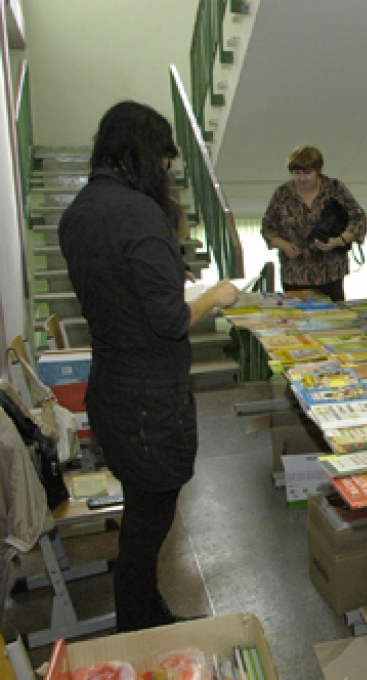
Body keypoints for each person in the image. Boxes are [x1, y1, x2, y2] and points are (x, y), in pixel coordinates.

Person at [59, 101, 240, 632]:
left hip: (112, 386)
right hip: (147, 399)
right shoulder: (138, 213)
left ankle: (146, 613)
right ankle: (137, 625)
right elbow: (170, 318)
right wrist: (214, 296)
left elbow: (124, 294)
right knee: (148, 523)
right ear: (144, 153)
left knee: (142, 516)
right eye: (163, 159)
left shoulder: (79, 211)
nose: (165, 170)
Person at [261, 145, 367, 301]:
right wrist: (284, 245)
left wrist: (339, 240)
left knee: (334, 314)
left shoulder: (335, 188)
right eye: (297, 173)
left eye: (307, 173)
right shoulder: (282, 193)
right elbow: (267, 227)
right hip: (295, 273)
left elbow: (358, 218)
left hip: (330, 271)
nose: (302, 178)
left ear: (318, 170)